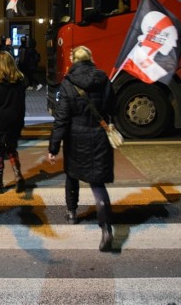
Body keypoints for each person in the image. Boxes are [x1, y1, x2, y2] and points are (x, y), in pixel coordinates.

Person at [47, 45, 116, 252]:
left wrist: (53, 146)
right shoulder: (103, 79)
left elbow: (62, 118)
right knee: (97, 183)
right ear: (90, 58)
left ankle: (71, 212)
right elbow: (113, 106)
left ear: (73, 61)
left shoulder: (68, 83)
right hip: (99, 135)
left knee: (72, 175)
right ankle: (106, 228)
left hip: (76, 137)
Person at [0, 51, 26, 193]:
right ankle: (18, 176)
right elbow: (22, 104)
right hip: (14, 121)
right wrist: (21, 122)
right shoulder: (19, 81)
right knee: (12, 149)